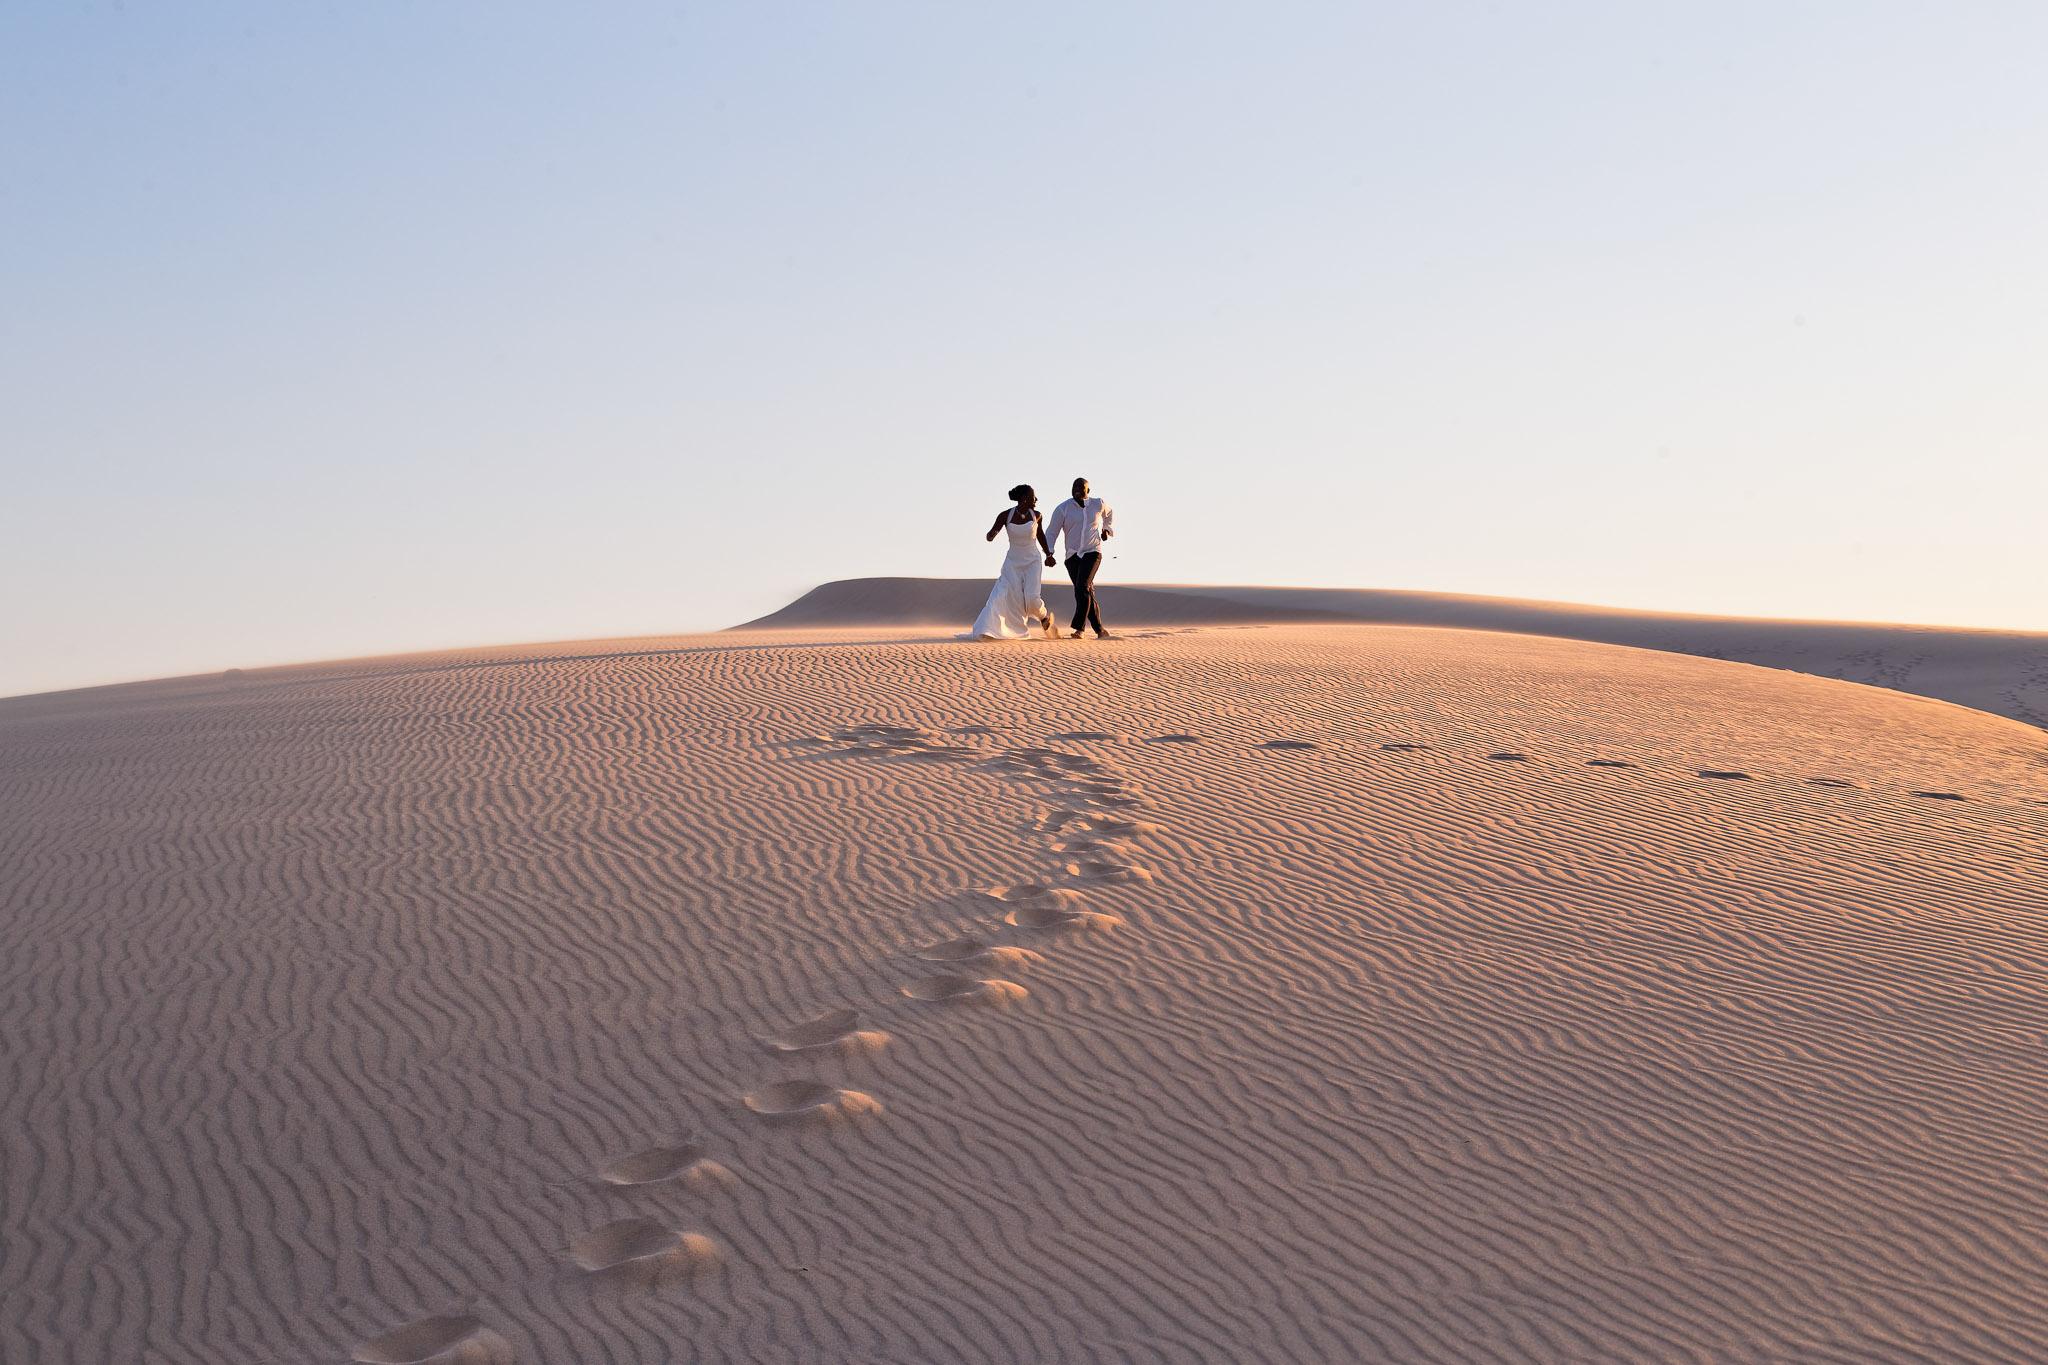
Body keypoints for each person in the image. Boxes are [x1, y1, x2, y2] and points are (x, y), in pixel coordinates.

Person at [969, 484, 1060, 640]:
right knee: (1001, 596)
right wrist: (991, 535)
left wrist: (1049, 554)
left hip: (1032, 561)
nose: (1036, 499)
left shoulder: (1036, 515)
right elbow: (992, 533)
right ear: (1024, 499)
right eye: (1033, 497)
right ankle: (989, 629)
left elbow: (1041, 536)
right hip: (1012, 563)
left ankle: (1044, 617)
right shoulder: (1005, 515)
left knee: (1031, 598)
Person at [1046, 476, 1114, 640]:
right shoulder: (1063, 508)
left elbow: (1109, 513)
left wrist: (1106, 529)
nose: (1076, 489)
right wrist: (1049, 553)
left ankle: (1079, 629)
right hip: (1072, 555)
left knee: (1082, 586)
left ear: (1087, 491)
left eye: (1080, 487)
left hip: (1092, 552)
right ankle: (1100, 630)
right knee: (1085, 590)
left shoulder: (1098, 503)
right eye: (1074, 486)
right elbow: (1052, 531)